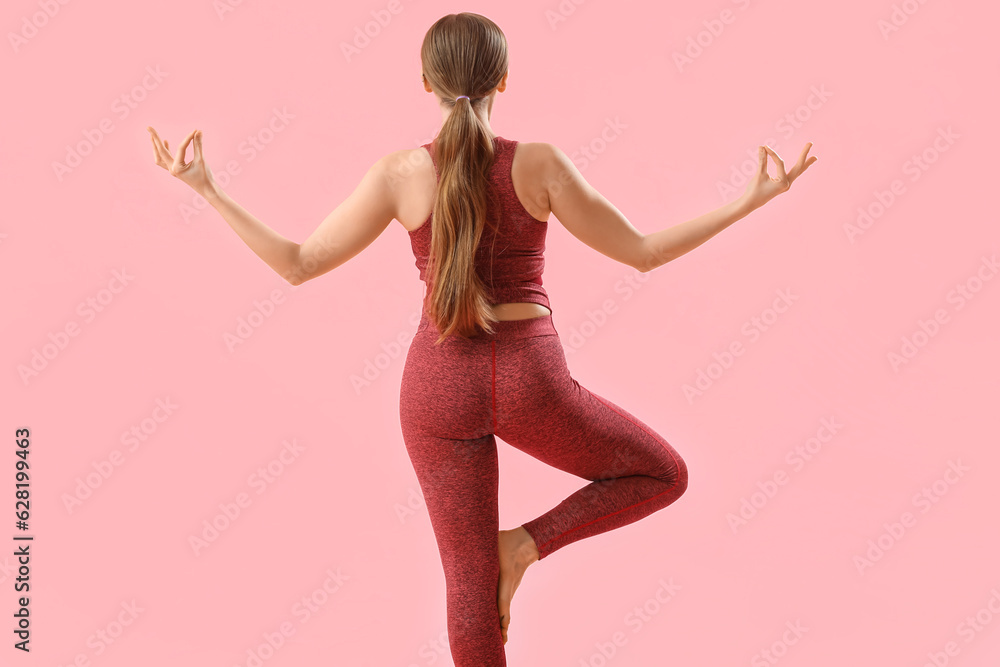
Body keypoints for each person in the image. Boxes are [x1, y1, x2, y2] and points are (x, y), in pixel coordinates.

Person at [147, 11, 817, 666]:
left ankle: (505, 554)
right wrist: (750, 200)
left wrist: (207, 189)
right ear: (504, 81)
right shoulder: (542, 164)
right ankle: (521, 546)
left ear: (424, 81)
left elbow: (297, 263)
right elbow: (640, 251)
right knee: (662, 472)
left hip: (435, 387)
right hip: (531, 375)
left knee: (466, 590)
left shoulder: (396, 174)